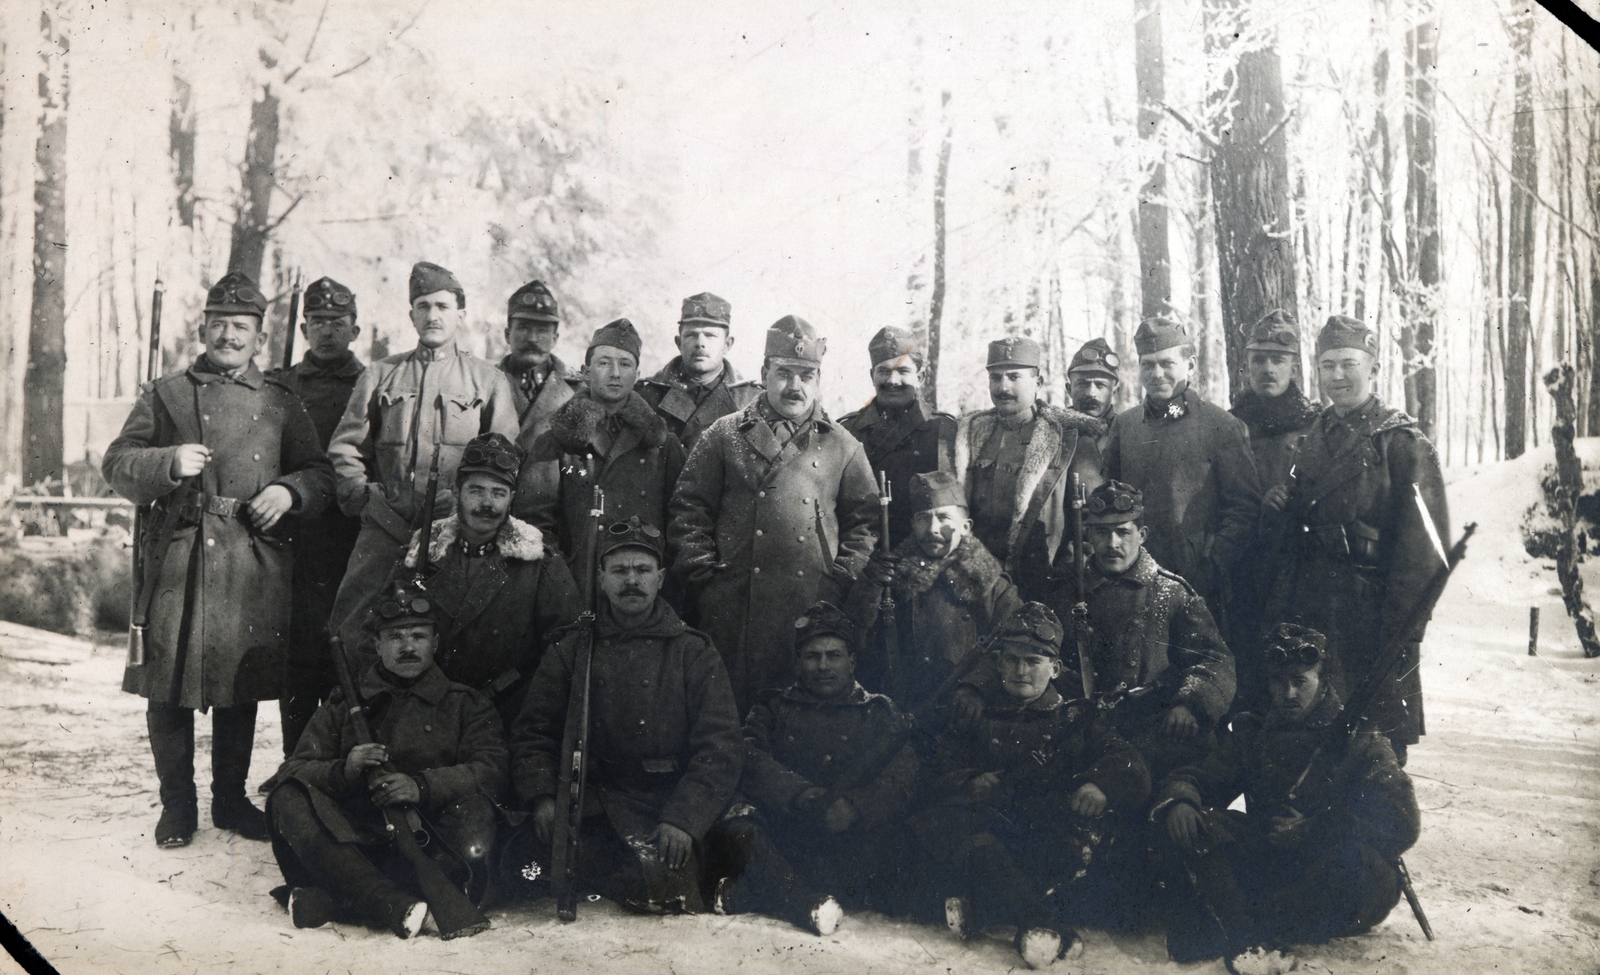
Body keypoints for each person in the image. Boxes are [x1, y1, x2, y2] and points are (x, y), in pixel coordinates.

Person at [102, 270, 335, 848]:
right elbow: (117, 461)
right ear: (202, 327)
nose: (229, 335)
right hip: (179, 552)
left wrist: (290, 492)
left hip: (250, 555)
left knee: (241, 681)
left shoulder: (281, 402)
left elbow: (320, 474)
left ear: (260, 336)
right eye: (219, 324)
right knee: (166, 678)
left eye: (242, 326)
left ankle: (229, 801)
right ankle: (177, 805)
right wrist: (166, 461)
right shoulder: (169, 393)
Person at [1151, 624, 1419, 973]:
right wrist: (1181, 801)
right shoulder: (1257, 733)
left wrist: (1314, 829)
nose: (1288, 693)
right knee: (1204, 824)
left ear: (1322, 680)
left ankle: (1238, 927)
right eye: (1279, 681)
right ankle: (1250, 935)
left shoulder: (1363, 739)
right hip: (1275, 859)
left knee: (1356, 863)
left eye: (1300, 681)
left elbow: (1402, 821)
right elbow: (1200, 777)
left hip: (1335, 874)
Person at [509, 518, 744, 914]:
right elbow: (535, 731)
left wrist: (684, 819)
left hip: (667, 801)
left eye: (642, 570)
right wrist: (544, 796)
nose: (631, 581)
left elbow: (720, 747)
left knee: (662, 884)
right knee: (520, 863)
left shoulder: (692, 652)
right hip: (599, 800)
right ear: (601, 579)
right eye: (619, 571)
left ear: (661, 578)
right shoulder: (573, 649)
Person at [908, 603, 1150, 970]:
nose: (1021, 671)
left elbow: (1133, 766)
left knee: (975, 846)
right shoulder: (980, 717)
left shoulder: (1076, 719)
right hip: (991, 834)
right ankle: (1043, 924)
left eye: (1034, 662)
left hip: (1049, 840)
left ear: (1054, 669)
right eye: (1012, 660)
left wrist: (1100, 784)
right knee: (962, 835)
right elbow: (937, 770)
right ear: (999, 664)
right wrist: (970, 780)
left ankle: (1003, 912)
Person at [265, 578, 506, 938]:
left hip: (434, 837)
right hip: (358, 840)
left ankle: (345, 899)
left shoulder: (464, 703)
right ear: (377, 645)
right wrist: (344, 769)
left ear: (435, 643)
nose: (407, 647)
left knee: (478, 811)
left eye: (418, 636)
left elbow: (492, 768)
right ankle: (389, 904)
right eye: (395, 637)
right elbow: (295, 769)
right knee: (286, 797)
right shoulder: (343, 705)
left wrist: (422, 787)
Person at [669, 315, 879, 716]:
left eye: (806, 375)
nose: (795, 387)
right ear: (765, 373)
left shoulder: (842, 446)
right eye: (784, 373)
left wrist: (842, 580)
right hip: (732, 607)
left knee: (798, 716)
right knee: (731, 714)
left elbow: (865, 524)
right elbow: (688, 509)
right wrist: (704, 577)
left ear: (819, 379)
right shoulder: (723, 434)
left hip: (810, 607)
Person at [1262, 316, 1449, 763]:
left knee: (1374, 746)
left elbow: (1426, 552)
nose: (1338, 376)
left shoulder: (1402, 443)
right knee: (1309, 742)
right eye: (1328, 366)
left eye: (1349, 364)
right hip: (1311, 607)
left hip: (1372, 616)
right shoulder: (1309, 440)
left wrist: (1401, 631)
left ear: (1374, 369)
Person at [324, 262, 519, 650]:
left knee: (450, 631)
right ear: (411, 313)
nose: (433, 315)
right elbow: (346, 446)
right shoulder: (380, 375)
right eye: (424, 306)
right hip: (385, 528)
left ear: (460, 315)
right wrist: (365, 499)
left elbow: (506, 461)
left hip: (454, 530)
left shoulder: (488, 380)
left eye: (443, 307)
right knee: (351, 628)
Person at [707, 601, 919, 935]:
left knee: (898, 840)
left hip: (847, 835)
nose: (823, 666)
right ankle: (802, 901)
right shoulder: (773, 707)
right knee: (738, 825)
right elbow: (750, 757)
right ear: (797, 662)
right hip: (785, 829)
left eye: (833, 655)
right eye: (812, 656)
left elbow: (903, 773)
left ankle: (763, 892)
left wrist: (855, 808)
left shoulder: (879, 711)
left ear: (852, 662)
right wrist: (800, 794)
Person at [391, 432, 581, 731]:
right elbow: (380, 628)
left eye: (498, 493)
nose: (487, 504)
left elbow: (566, 645)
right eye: (476, 491)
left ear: (512, 499)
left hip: (509, 714)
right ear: (457, 494)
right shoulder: (423, 553)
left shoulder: (538, 562)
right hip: (430, 713)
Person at [1066, 479, 1234, 784]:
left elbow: (1213, 659)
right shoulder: (1068, 591)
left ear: (1142, 535)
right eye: (1102, 532)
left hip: (1150, 730)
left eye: (1123, 532)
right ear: (1088, 536)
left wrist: (1188, 703)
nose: (1112, 543)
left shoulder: (1170, 592)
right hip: (1084, 731)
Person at [1103, 317, 1261, 629]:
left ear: (1189, 364)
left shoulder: (1220, 425)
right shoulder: (1127, 425)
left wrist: (1211, 563)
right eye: (1147, 365)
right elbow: (1110, 498)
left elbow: (1244, 508)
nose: (1156, 374)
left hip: (1198, 586)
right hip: (1133, 580)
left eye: (1166, 363)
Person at [270, 276, 367, 759]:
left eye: (338, 322)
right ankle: (296, 762)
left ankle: (337, 763)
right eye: (319, 322)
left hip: (352, 541)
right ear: (305, 328)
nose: (328, 331)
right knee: (296, 659)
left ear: (356, 328)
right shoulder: (280, 385)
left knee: (345, 653)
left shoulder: (373, 383)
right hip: (294, 540)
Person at [845, 470, 1022, 710]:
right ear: (912, 524)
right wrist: (870, 585)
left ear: (965, 526)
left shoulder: (992, 586)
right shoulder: (890, 578)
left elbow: (1015, 647)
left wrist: (976, 686)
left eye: (944, 517)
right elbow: (854, 638)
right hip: (902, 709)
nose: (932, 529)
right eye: (922, 518)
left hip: (965, 712)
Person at [526, 318, 687, 573]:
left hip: (639, 586)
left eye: (625, 364)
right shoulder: (556, 442)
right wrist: (558, 575)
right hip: (575, 582)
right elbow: (534, 523)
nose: (615, 373)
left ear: (637, 374)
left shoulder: (663, 446)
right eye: (604, 363)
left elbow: (681, 522)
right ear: (586, 371)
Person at [953, 336, 1105, 604]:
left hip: (1042, 586)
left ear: (1038, 382)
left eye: (1014, 377)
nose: (1003, 387)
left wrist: (1065, 573)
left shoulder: (1070, 439)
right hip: (976, 581)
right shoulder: (967, 435)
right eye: (995, 377)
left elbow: (1094, 522)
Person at [1228, 310, 1320, 715]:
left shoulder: (1315, 425)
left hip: (1297, 569)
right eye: (1258, 360)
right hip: (1240, 568)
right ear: (1245, 366)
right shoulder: (1227, 426)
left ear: (1294, 366)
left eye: (1277, 360)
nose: (1267, 369)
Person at [837, 325, 957, 547]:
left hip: (928, 554)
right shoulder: (847, 431)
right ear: (872, 376)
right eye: (883, 371)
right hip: (864, 558)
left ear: (920, 376)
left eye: (903, 371)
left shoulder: (945, 430)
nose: (892, 381)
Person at [638, 292, 762, 452]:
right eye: (691, 335)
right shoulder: (647, 396)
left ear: (727, 344)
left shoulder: (751, 401)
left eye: (710, 335)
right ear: (679, 343)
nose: (700, 343)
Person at [499, 278, 578, 456]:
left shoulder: (578, 390)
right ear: (507, 335)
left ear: (555, 338)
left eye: (542, 330)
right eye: (523, 328)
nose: (532, 338)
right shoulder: (484, 383)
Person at [1066, 337, 1122, 454]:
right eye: (1082, 384)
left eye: (1100, 385)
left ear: (1114, 391)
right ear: (1069, 389)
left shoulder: (1127, 434)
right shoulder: (1052, 432)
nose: (1091, 393)